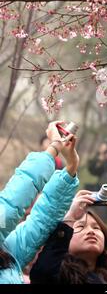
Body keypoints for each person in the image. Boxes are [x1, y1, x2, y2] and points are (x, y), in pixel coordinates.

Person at [0, 121, 80, 283]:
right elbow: (9, 206)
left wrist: (71, 167)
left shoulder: (7, 256)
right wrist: (54, 148)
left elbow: (41, 221)